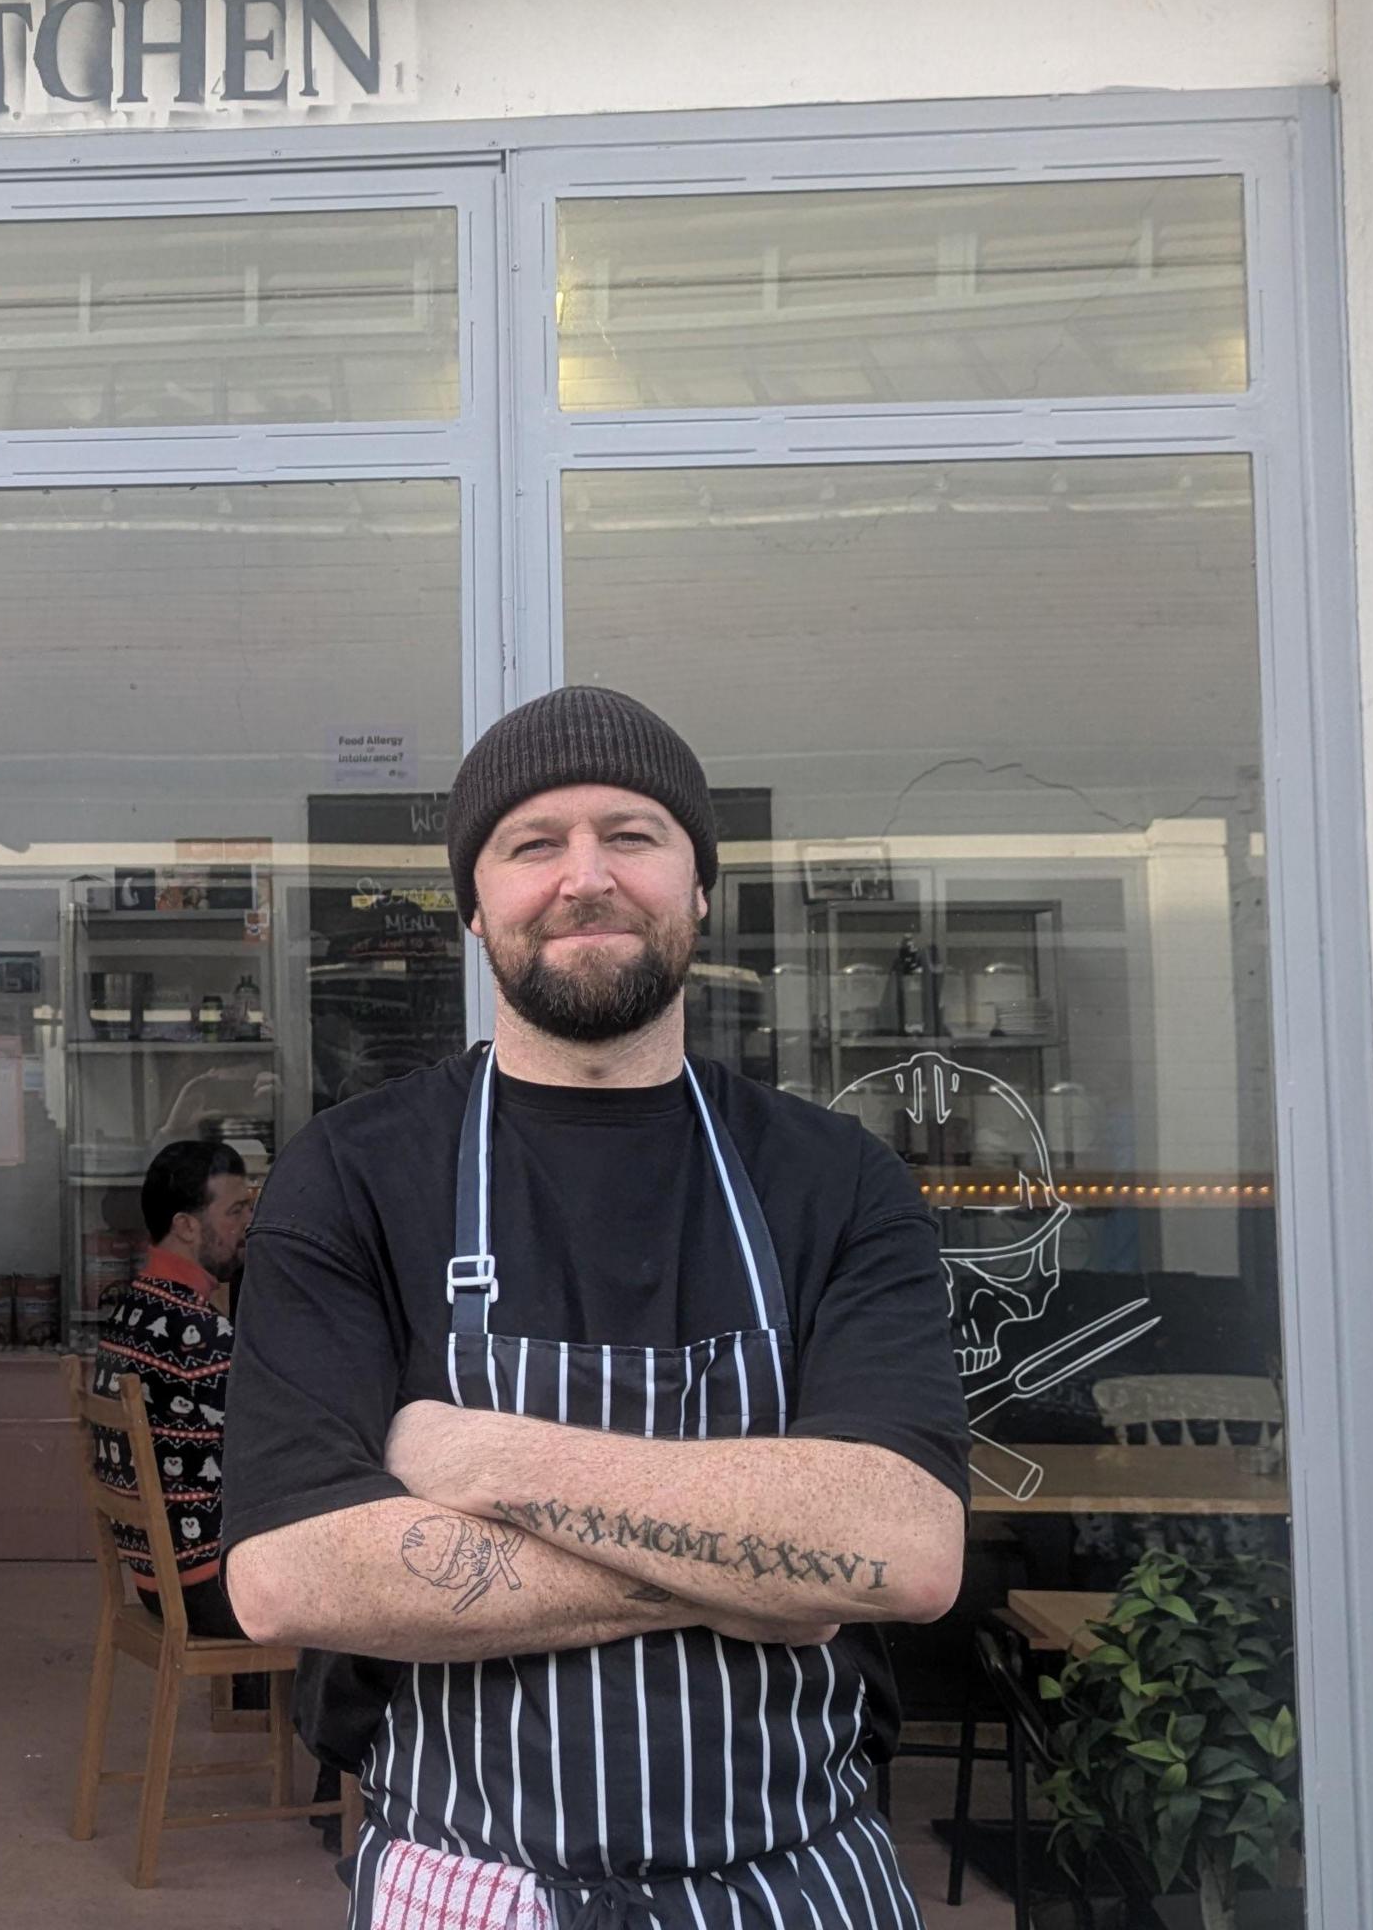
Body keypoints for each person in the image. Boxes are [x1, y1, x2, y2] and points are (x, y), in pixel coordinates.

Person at [220, 687, 969, 1927]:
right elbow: (290, 1580)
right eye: (533, 844)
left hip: (796, 1877)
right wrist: (780, 1570)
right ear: (474, 906)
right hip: (466, 1880)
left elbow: (907, 1545)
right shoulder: (354, 1176)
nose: (586, 877)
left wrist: (477, 1452)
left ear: (698, 888)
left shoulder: (834, 1178)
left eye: (632, 835)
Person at [92, 1138, 260, 1637]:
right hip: (209, 1590)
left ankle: (278, 1713)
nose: (249, 1223)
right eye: (235, 1210)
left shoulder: (131, 1310)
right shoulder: (202, 1337)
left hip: (158, 1581)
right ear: (186, 1226)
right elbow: (284, 1445)